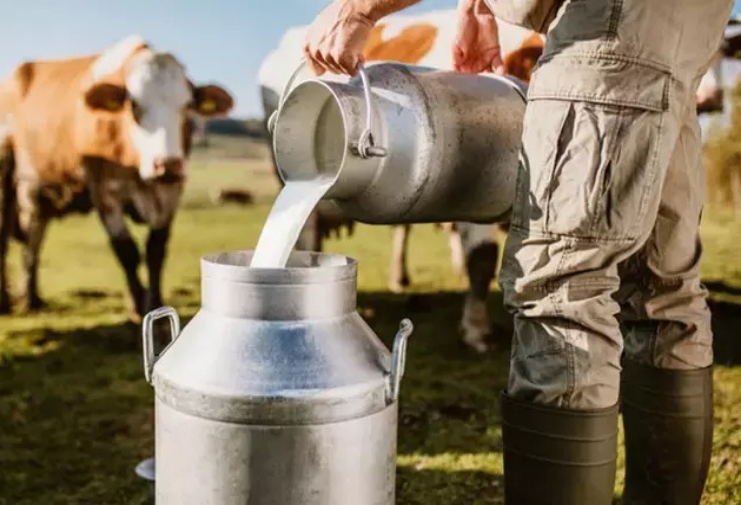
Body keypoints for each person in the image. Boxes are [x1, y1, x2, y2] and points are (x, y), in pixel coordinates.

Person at [301, 0, 734, 503]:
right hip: (682, 24)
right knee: (662, 289)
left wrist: (357, 9)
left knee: (561, 289)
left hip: (606, 22)